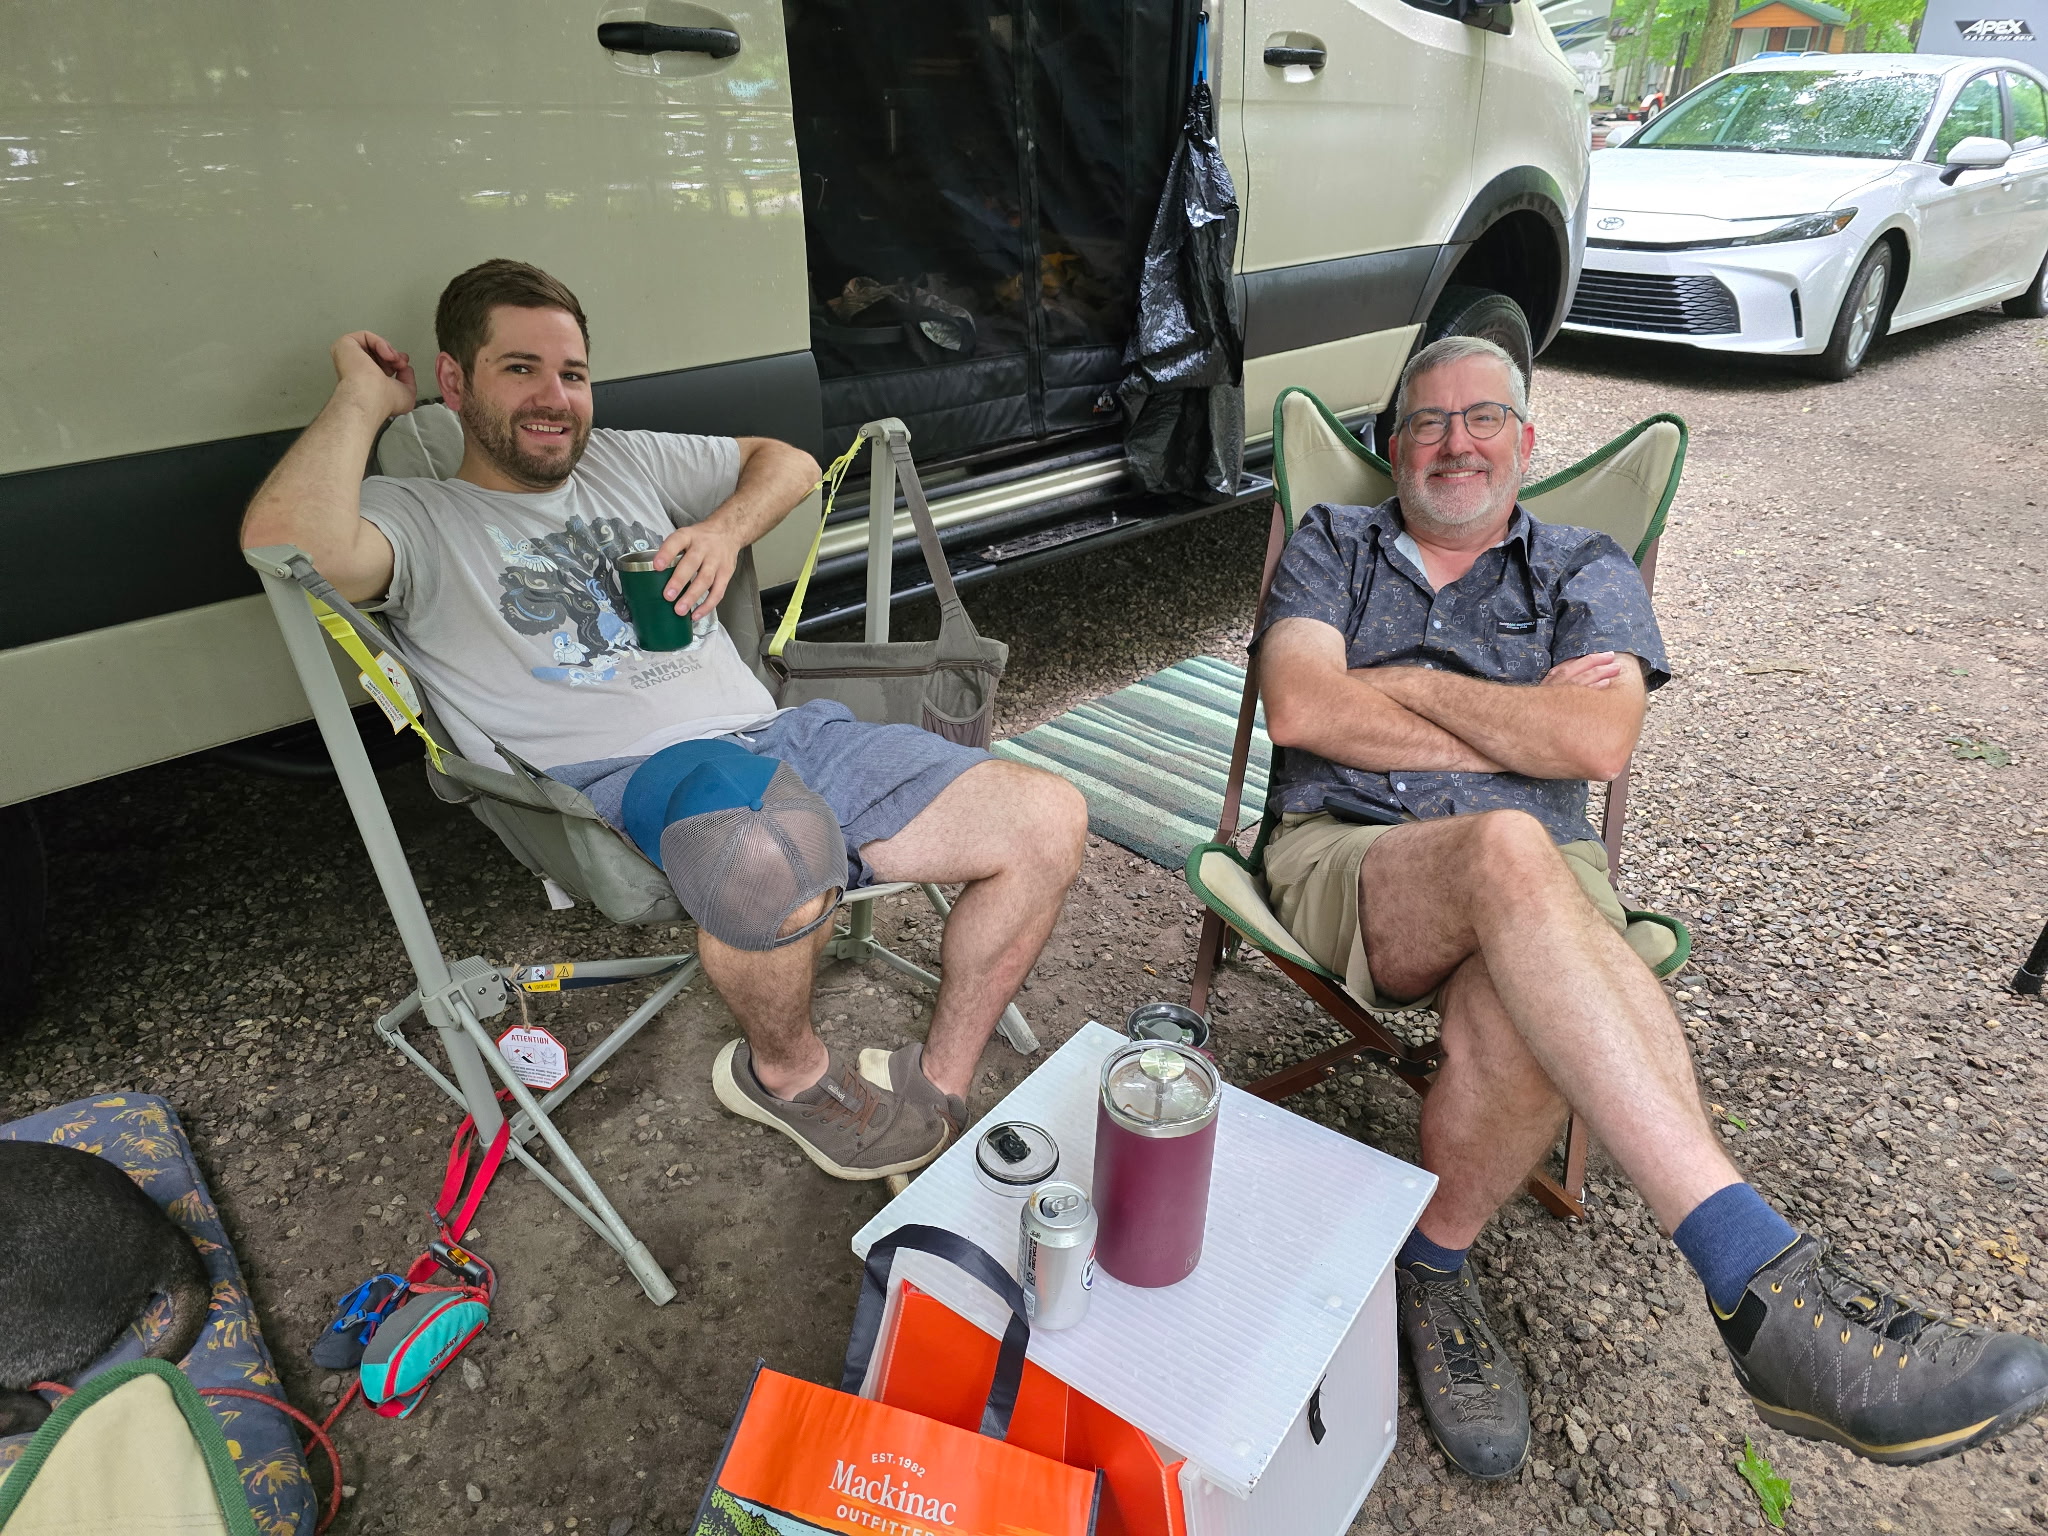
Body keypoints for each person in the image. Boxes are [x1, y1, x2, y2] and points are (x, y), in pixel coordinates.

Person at [1254, 334, 2048, 1479]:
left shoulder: (1585, 566)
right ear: (1389, 448)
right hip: (1348, 856)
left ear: (1524, 444)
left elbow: (1594, 738)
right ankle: (1754, 1273)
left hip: (1534, 883)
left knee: (1530, 946)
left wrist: (1393, 685)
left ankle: (1431, 1264)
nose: (1452, 441)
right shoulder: (1336, 541)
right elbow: (1297, 708)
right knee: (1512, 845)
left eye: (1482, 418)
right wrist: (1504, 707)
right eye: (1424, 422)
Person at [240, 258, 1088, 1182]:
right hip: (619, 774)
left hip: (777, 737)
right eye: (519, 369)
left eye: (572, 373)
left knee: (1048, 819)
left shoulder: (623, 457)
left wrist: (725, 530)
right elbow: (286, 544)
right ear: (454, 383)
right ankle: (787, 1077)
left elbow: (790, 463)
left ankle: (934, 1090)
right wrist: (364, 399)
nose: (554, 398)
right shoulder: (415, 515)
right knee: (764, 854)